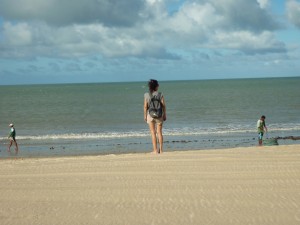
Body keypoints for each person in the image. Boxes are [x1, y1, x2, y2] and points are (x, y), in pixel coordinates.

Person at [144, 79, 167, 154]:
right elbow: (163, 106)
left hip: (150, 115)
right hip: (159, 115)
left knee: (153, 132)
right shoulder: (160, 94)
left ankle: (155, 150)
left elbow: (145, 107)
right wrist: (164, 114)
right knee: (159, 132)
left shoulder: (147, 95)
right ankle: (161, 150)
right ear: (156, 86)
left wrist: (145, 116)